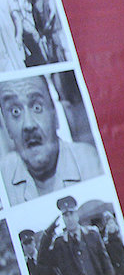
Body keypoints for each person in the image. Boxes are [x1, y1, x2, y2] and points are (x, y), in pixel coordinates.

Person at [0, 75, 102, 205]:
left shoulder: (90, 162)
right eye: (15, 111)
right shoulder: (3, 174)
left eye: (37, 108)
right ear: (7, 127)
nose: (28, 125)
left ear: (55, 116)